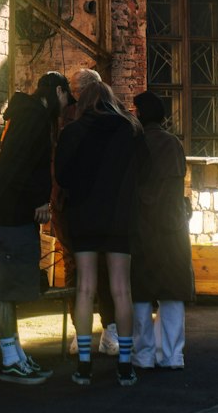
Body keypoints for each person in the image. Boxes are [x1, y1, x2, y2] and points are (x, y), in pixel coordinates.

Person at [54, 77, 150, 387]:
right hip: (119, 218)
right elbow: (145, 173)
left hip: (83, 217)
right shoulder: (131, 130)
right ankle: (125, 364)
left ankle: (84, 363)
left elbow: (62, 176)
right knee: (121, 289)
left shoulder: (72, 132)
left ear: (83, 104)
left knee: (85, 288)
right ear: (111, 101)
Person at [0, 71, 72, 384]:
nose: (65, 108)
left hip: (9, 217)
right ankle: (10, 359)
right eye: (66, 99)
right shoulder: (33, 119)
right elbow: (18, 165)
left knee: (11, 287)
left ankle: (16, 354)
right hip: (11, 218)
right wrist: (38, 200)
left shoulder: (26, 116)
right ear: (58, 91)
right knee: (7, 290)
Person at [130, 90, 194, 370]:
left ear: (140, 115)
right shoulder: (173, 144)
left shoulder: (134, 144)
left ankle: (143, 354)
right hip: (172, 226)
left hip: (142, 226)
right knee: (172, 292)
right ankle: (171, 355)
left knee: (141, 293)